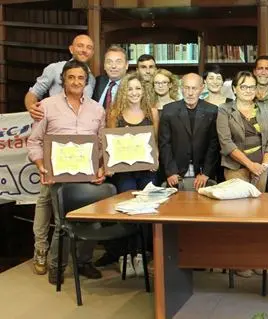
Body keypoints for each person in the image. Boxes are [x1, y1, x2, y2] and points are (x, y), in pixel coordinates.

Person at [26, 60, 106, 285]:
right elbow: (34, 142)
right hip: (58, 177)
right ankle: (56, 265)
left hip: (88, 177)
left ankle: (83, 261)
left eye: (81, 78)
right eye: (71, 77)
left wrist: (102, 167)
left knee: (93, 220)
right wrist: (40, 164)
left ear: (86, 81)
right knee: (63, 224)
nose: (76, 82)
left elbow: (102, 144)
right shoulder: (47, 106)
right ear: (63, 80)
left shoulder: (97, 109)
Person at [101, 72, 158, 275]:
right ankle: (125, 255)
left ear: (144, 91)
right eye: (131, 88)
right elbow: (109, 144)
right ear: (124, 91)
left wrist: (155, 161)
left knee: (144, 212)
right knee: (126, 212)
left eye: (138, 89)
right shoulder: (115, 113)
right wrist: (109, 165)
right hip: (124, 172)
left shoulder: (152, 112)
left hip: (146, 172)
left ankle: (140, 255)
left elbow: (156, 143)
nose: (134, 92)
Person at [217, 71, 268, 194]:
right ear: (234, 89)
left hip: (261, 168)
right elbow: (226, 143)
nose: (248, 90)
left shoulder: (264, 109)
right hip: (235, 168)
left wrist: (263, 167)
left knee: (259, 207)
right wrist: (250, 165)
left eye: (252, 87)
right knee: (240, 208)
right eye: (243, 86)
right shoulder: (225, 110)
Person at [158, 73, 218, 190]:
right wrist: (171, 171)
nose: (190, 93)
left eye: (194, 88)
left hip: (201, 172)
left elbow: (214, 144)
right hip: (176, 171)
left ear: (202, 89)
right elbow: (164, 143)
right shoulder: (169, 110)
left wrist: (206, 173)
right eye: (186, 88)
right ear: (181, 88)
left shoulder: (212, 111)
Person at [92, 45, 129, 110]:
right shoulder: (98, 81)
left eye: (118, 62)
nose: (113, 66)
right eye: (109, 62)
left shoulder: (133, 86)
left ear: (126, 65)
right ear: (104, 66)